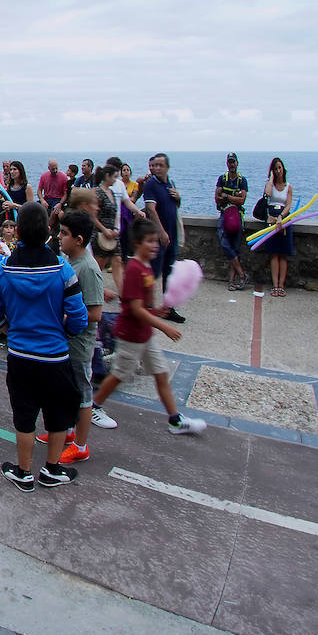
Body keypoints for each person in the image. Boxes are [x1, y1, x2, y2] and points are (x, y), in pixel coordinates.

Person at [0, 202, 88, 492]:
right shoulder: (63, 270)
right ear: (48, 231)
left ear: (16, 232)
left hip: (20, 355)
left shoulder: (3, 270)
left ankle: (24, 472)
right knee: (57, 416)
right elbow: (79, 318)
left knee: (24, 416)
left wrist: (7, 327)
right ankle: (52, 470)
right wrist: (62, 331)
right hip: (55, 355)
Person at [90, 218, 208, 437]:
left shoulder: (146, 268)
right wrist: (164, 326)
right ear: (137, 243)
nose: (155, 245)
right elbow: (134, 309)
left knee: (161, 373)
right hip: (131, 335)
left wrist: (157, 312)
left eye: (155, 241)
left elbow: (142, 308)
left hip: (144, 334)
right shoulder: (135, 269)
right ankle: (94, 407)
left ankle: (175, 420)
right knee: (119, 375)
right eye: (150, 241)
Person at [52, 211, 116, 465]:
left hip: (79, 342)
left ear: (79, 239)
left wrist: (63, 320)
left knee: (82, 392)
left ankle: (81, 444)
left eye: (64, 234)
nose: (59, 237)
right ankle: (66, 433)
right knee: (66, 389)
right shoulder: (69, 261)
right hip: (66, 339)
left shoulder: (88, 269)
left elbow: (95, 312)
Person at [141, 154, 185, 323]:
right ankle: (146, 307)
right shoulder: (151, 184)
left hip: (172, 234)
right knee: (153, 272)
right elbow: (151, 209)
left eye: (160, 165)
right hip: (159, 236)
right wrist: (161, 232)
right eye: (154, 165)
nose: (156, 168)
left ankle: (168, 308)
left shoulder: (170, 184)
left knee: (169, 272)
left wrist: (178, 198)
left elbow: (175, 206)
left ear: (167, 167)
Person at [258, 157, 295, 297]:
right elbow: (267, 194)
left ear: (283, 169)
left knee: (283, 254)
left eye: (280, 168)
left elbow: (289, 204)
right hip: (271, 218)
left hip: (284, 218)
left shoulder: (289, 186)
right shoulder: (270, 184)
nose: (278, 171)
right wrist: (271, 178)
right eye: (275, 168)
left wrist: (281, 217)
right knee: (273, 253)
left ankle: (281, 285)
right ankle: (275, 285)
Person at [216, 153, 250, 291]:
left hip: (237, 216)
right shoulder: (222, 179)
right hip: (225, 214)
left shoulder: (242, 180)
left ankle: (232, 280)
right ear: (227, 163)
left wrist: (226, 196)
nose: (231, 164)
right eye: (229, 162)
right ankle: (242, 274)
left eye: (233, 162)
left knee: (234, 247)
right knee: (225, 243)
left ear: (237, 163)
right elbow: (217, 199)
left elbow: (242, 200)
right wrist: (234, 197)